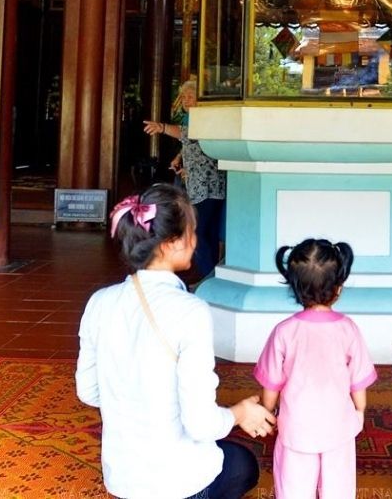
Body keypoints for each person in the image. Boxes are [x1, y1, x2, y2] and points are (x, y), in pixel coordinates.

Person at [76, 184, 274, 499]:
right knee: (243, 465)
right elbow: (201, 425)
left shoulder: (99, 302)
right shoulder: (190, 310)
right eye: (192, 233)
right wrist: (239, 413)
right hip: (177, 483)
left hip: (123, 481)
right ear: (171, 244)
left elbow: (88, 392)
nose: (196, 242)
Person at [256, 239, 377, 499]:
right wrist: (359, 412)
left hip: (296, 429)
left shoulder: (284, 332)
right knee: (339, 490)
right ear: (338, 288)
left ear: (294, 288)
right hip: (339, 429)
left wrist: (267, 413)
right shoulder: (349, 329)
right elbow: (358, 384)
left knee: (293, 490)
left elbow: (271, 387)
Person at [145, 79, 225, 280]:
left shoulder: (204, 119)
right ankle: (212, 275)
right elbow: (189, 143)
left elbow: (186, 135)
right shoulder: (193, 119)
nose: (187, 101)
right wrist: (180, 159)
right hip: (203, 184)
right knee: (208, 232)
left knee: (197, 231)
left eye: (192, 97)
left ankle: (208, 277)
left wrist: (162, 128)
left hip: (206, 185)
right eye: (185, 97)